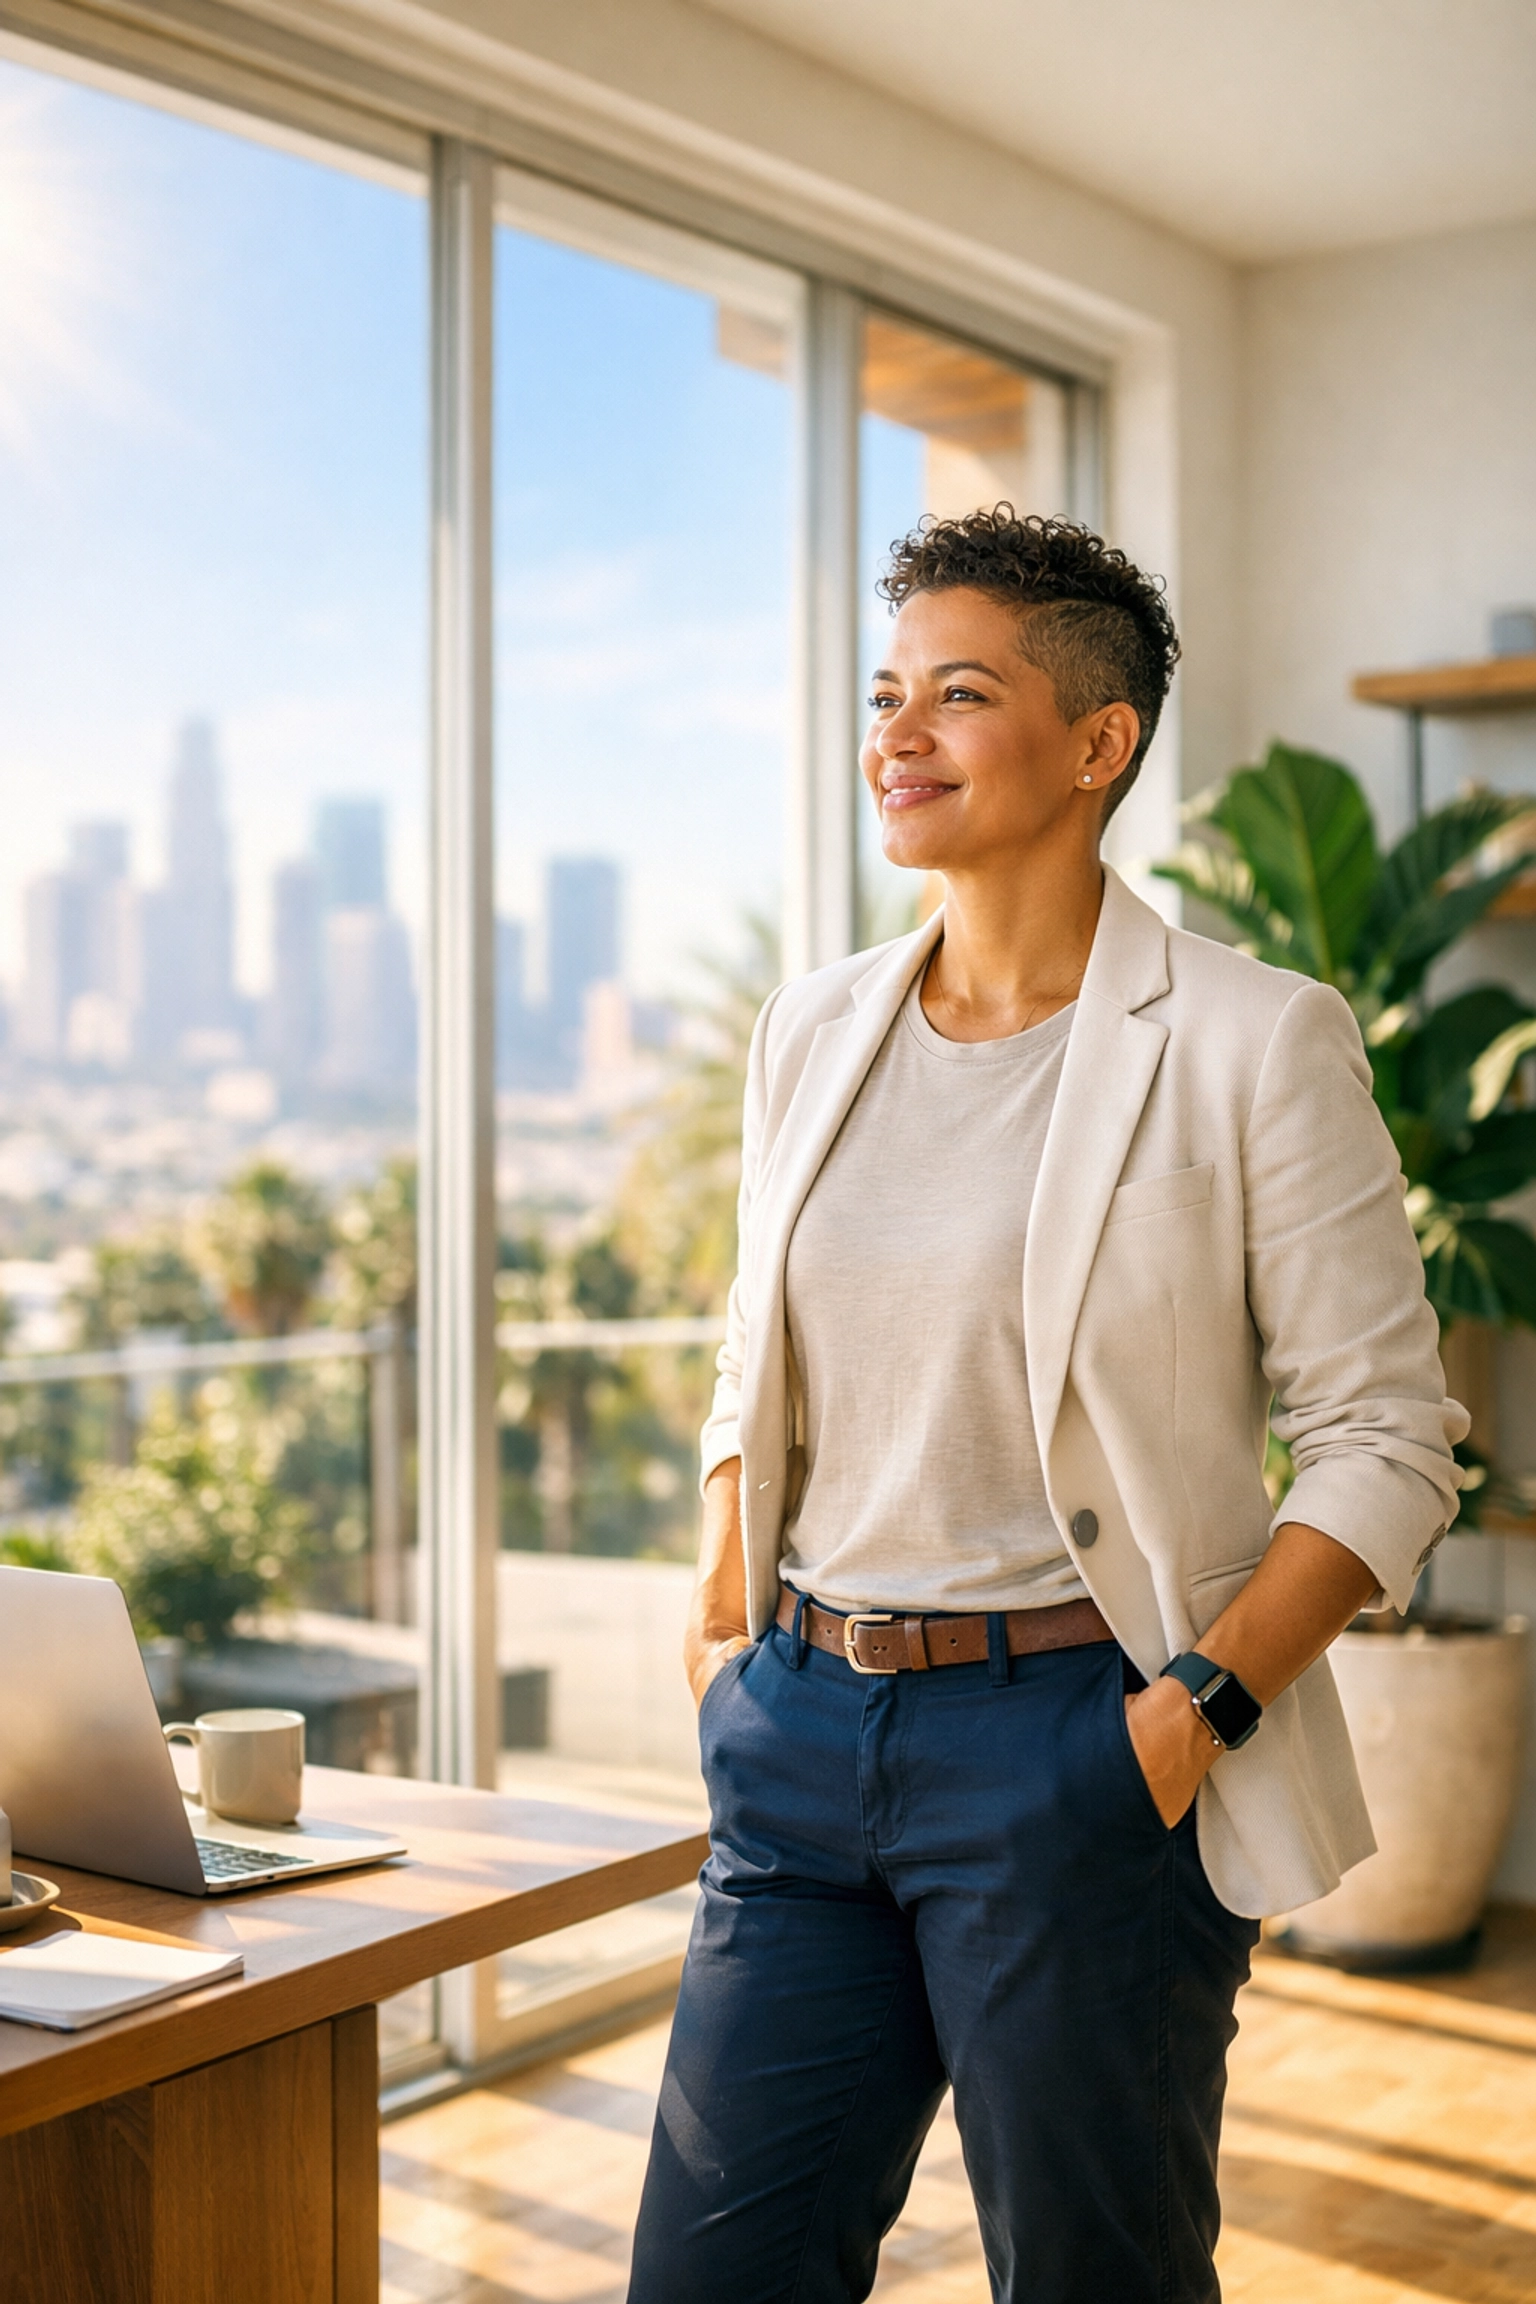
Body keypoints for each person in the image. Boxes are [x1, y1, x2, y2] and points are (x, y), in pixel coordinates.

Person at [626, 509, 1465, 2304]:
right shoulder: (814, 1025)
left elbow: (1391, 1438)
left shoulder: (1251, 1040)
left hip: (1078, 1750)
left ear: (1101, 744)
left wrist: (1189, 1718)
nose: (897, 735)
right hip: (796, 1730)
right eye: (885, 693)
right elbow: (751, 1345)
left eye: (959, 693)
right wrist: (720, 1624)